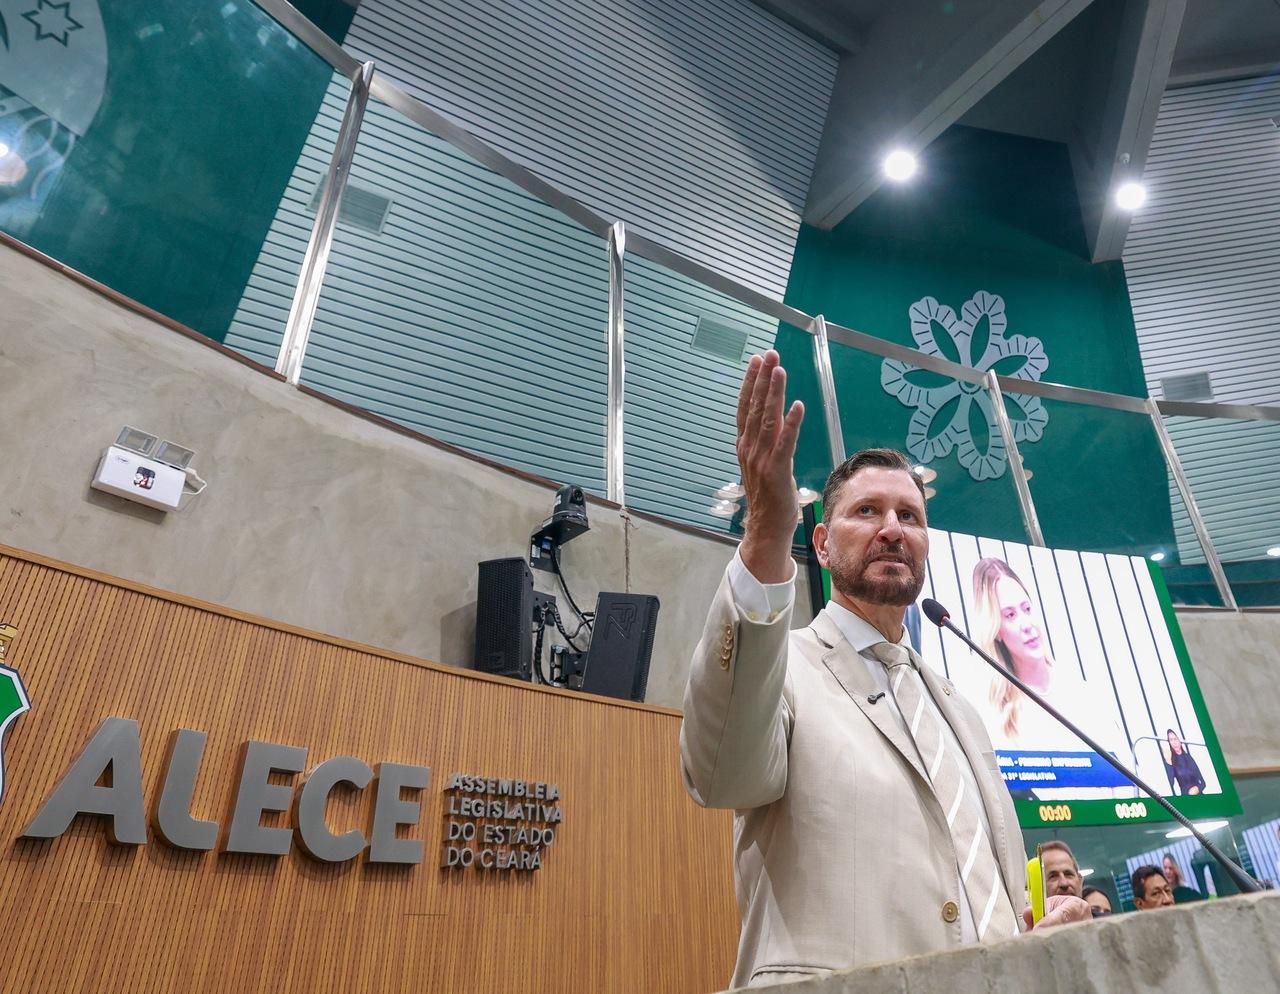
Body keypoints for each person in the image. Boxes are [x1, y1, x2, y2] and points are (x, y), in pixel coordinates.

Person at [679, 351, 1090, 988]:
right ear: (819, 542)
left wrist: (1025, 946)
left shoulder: (962, 710)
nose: (893, 529)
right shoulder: (781, 669)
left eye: (910, 516)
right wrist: (765, 528)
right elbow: (719, 774)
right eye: (866, 512)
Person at [972, 558, 1131, 798]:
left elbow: (1125, 780)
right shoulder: (998, 716)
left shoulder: (1086, 693)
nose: (1026, 625)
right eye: (1010, 615)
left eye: (1026, 609)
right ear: (997, 631)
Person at [1165, 729, 1206, 795]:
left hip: (1199, 795)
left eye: (1175, 739)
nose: (1174, 742)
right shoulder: (1171, 760)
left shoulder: (1188, 757)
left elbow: (1203, 783)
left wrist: (1197, 788)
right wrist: (1168, 762)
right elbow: (1170, 784)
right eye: (1171, 740)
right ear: (1169, 743)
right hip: (1186, 798)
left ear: (1180, 740)